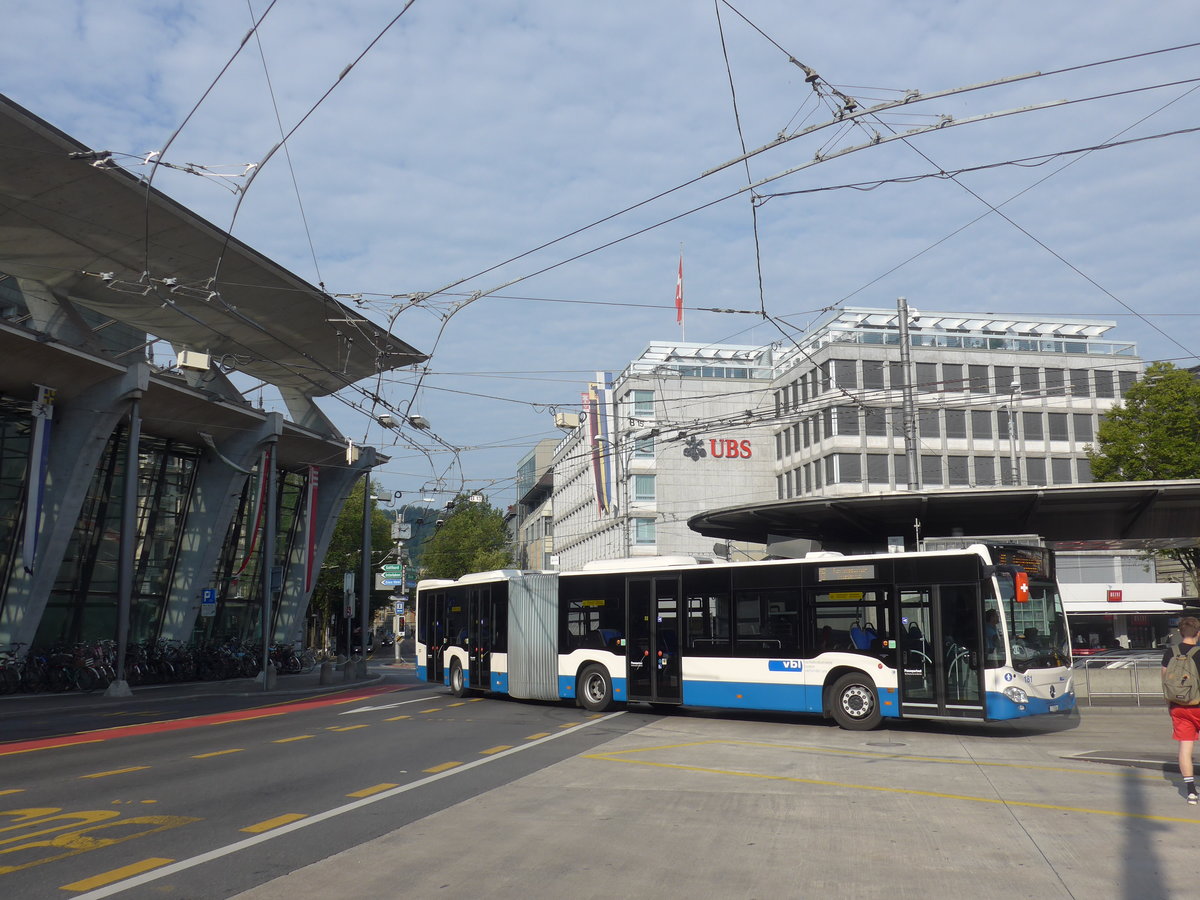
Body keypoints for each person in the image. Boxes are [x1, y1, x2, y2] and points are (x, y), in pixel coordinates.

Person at [1162, 616, 1200, 805]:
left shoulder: (1170, 653)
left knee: (1185, 747)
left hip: (1178, 706)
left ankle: (1191, 792)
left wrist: (1170, 704)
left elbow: (1165, 680)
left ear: (1180, 632)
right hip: (1198, 705)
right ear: (1198, 633)